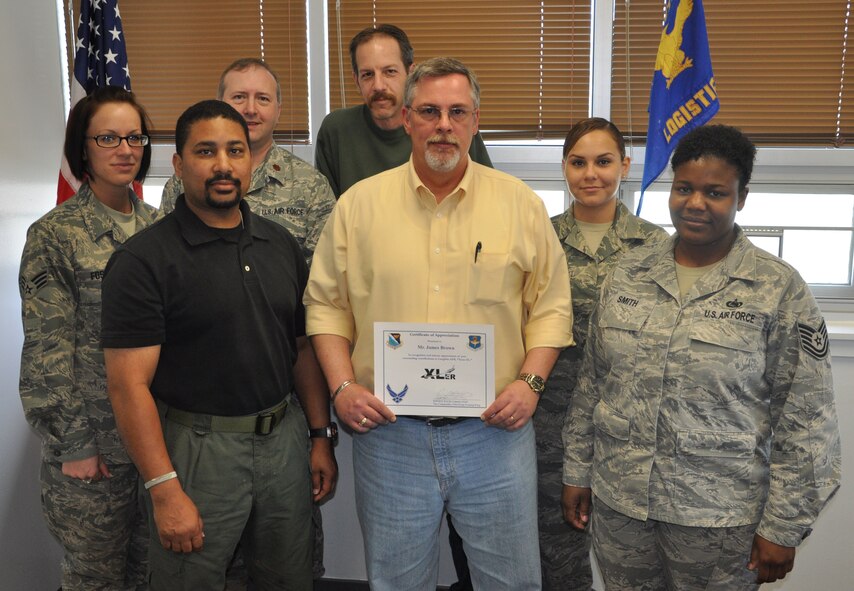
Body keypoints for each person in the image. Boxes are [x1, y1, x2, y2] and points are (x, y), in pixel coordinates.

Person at [305, 57, 573, 590]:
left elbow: (550, 308)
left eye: (457, 112)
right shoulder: (359, 206)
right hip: (390, 436)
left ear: (476, 121)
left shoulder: (520, 206)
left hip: (495, 434)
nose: (443, 125)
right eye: (429, 111)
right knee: (396, 581)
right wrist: (341, 386)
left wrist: (531, 384)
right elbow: (326, 306)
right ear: (407, 119)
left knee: (511, 582)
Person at [562, 124, 842, 590]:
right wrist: (576, 471)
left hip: (719, 521)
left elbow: (807, 417)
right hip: (621, 507)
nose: (695, 203)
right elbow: (593, 383)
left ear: (742, 197)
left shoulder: (777, 288)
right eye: (684, 188)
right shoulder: (628, 273)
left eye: (715, 192)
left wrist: (783, 527)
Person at [101, 100, 337, 590]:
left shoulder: (280, 245)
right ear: (180, 164)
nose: (224, 165)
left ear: (252, 160)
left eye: (236, 150)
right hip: (196, 453)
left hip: (283, 443)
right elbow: (128, 387)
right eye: (206, 152)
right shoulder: (144, 261)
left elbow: (301, 349)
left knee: (289, 578)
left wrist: (319, 435)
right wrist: (164, 489)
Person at [18, 85, 158, 590]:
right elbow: (46, 350)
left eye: (135, 138)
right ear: (83, 148)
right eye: (108, 138)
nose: (125, 150)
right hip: (93, 448)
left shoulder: (157, 227)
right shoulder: (55, 234)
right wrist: (74, 443)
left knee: (151, 574)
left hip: (153, 442)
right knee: (95, 579)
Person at [534, 118, 667, 590]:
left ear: (625, 167)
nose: (591, 174)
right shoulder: (537, 237)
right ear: (564, 168)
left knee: (630, 558)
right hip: (549, 418)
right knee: (556, 554)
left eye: (604, 161)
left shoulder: (655, 246)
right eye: (578, 162)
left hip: (625, 426)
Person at [161, 57, 335, 266]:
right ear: (220, 105)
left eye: (262, 99)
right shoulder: (184, 182)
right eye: (239, 97)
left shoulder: (311, 185)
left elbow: (322, 274)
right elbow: (164, 255)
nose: (251, 109)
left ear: (278, 110)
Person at [315, 24, 493, 197]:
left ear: (410, 73)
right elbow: (327, 211)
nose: (378, 86)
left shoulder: (446, 125)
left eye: (389, 72)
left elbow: (483, 191)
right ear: (356, 80)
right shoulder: (337, 130)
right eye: (367, 74)